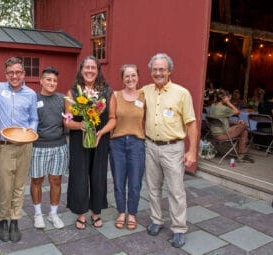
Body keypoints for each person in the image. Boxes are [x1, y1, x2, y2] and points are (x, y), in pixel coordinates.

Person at [141, 53, 198, 248]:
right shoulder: (145, 91)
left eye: (161, 69)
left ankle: (179, 229)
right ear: (151, 72)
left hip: (172, 148)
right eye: (155, 69)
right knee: (153, 187)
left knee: (176, 190)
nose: (158, 73)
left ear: (169, 71)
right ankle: (156, 219)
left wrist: (192, 151)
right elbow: (128, 100)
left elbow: (191, 124)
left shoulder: (182, 93)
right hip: (150, 146)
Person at [63, 55, 117, 230]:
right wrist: (81, 124)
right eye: (87, 67)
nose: (90, 71)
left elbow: (113, 118)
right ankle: (80, 213)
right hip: (79, 141)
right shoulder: (72, 93)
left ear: (98, 71)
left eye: (93, 68)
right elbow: (67, 121)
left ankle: (96, 212)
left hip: (100, 140)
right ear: (81, 70)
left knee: (98, 175)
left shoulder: (107, 93)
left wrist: (101, 132)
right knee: (79, 176)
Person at [0, 57, 38, 242]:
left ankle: (15, 220)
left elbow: (34, 118)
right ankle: (3, 220)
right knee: (5, 187)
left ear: (23, 74)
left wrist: (31, 129)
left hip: (25, 146)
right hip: (4, 147)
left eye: (18, 72)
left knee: (19, 186)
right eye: (11, 73)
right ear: (6, 74)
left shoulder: (31, 94)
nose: (15, 76)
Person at [30, 67, 68, 229]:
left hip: (59, 146)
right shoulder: (33, 98)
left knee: (56, 181)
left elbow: (69, 119)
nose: (52, 83)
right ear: (42, 81)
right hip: (38, 146)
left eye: (54, 80)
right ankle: (38, 213)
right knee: (37, 180)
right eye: (48, 80)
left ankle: (53, 213)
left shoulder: (62, 99)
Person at [109, 64, 146, 230]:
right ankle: (121, 212)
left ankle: (132, 213)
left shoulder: (145, 96)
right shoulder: (115, 96)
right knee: (118, 180)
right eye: (127, 76)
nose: (130, 79)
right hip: (117, 143)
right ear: (122, 79)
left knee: (135, 182)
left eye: (133, 75)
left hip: (137, 143)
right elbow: (110, 118)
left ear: (138, 77)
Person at [209, 89, 254, 163]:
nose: (229, 98)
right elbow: (237, 112)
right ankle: (242, 153)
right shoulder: (224, 108)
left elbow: (222, 120)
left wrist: (236, 123)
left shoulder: (213, 106)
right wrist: (228, 102)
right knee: (244, 125)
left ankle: (242, 154)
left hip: (215, 133)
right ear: (224, 98)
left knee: (244, 131)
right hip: (223, 134)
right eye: (228, 97)